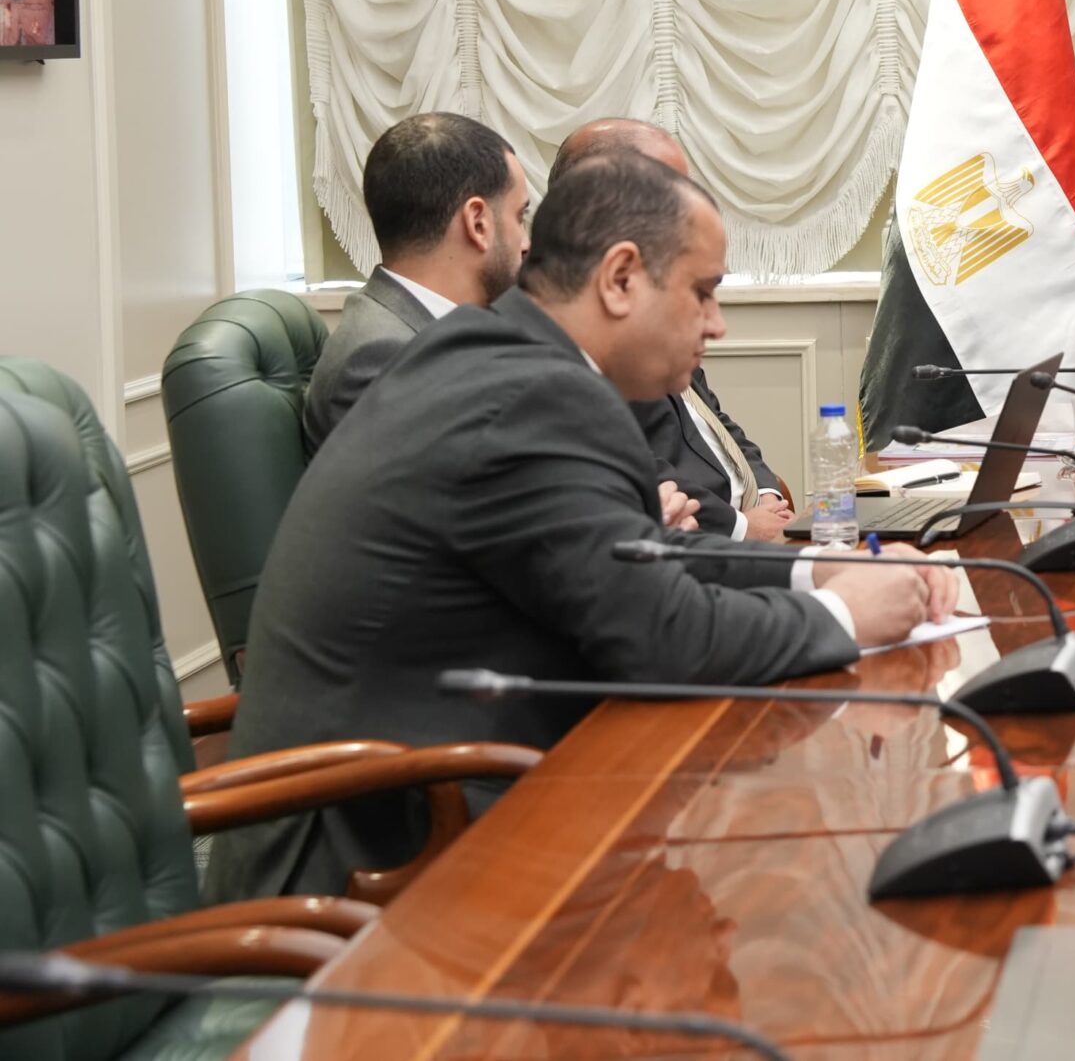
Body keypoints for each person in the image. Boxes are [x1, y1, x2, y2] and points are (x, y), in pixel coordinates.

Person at [204, 152, 957, 901]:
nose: (718, 325)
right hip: (374, 865)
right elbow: (661, 635)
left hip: (444, 797)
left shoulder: (512, 361)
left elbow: (640, 557)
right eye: (702, 293)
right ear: (620, 277)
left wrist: (814, 570)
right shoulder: (528, 393)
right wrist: (845, 613)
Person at [557, 117, 794, 543]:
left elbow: (715, 421)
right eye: (672, 195)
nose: (716, 325)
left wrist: (765, 494)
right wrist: (742, 528)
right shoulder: (561, 350)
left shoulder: (653, 307)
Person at [303, 112, 531, 450]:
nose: (526, 242)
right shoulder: (383, 356)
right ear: (478, 223)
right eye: (519, 216)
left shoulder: (425, 327)